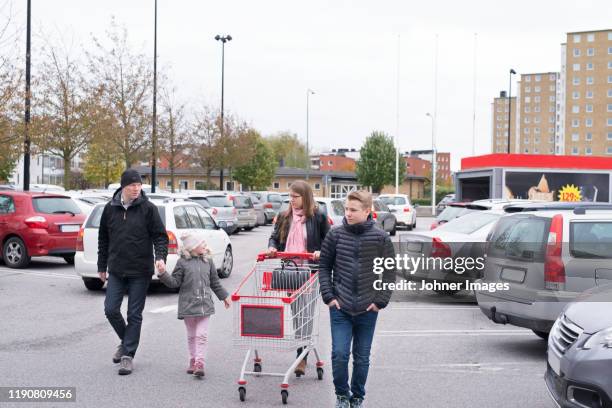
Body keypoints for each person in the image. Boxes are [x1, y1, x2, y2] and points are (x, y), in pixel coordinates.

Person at [318, 190, 396, 408]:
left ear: (367, 211)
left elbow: (389, 272)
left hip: (367, 309)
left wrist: (380, 300)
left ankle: (357, 397)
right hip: (340, 307)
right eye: (346, 209)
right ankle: (342, 395)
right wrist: (329, 296)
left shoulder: (380, 237)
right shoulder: (335, 234)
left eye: (353, 210)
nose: (348, 214)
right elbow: (324, 267)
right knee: (339, 354)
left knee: (362, 358)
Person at [98, 169, 169, 375]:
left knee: (134, 314)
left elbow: (160, 236)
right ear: (123, 187)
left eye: (139, 185)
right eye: (132, 186)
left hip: (140, 270)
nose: (136, 189)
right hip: (117, 269)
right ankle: (126, 340)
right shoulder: (110, 209)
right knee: (110, 309)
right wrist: (102, 267)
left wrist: (160, 257)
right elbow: (103, 239)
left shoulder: (148, 209)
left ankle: (128, 355)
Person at [267, 180, 330, 376]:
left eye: (295, 196)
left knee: (306, 314)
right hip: (290, 271)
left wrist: (321, 252)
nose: (291, 200)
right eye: (290, 197)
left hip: (310, 272)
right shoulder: (285, 216)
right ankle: (302, 350)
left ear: (306, 197)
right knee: (297, 314)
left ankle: (302, 357)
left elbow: (329, 241)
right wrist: (272, 247)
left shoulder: (318, 217)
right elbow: (275, 238)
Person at [156, 232, 231, 377]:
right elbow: (174, 283)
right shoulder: (182, 262)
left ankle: (199, 363)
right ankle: (192, 360)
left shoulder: (208, 261)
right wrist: (163, 273)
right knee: (191, 336)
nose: (204, 245)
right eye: (201, 243)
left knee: (201, 335)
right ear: (192, 247)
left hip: (205, 306)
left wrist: (224, 297)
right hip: (188, 306)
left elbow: (215, 282)